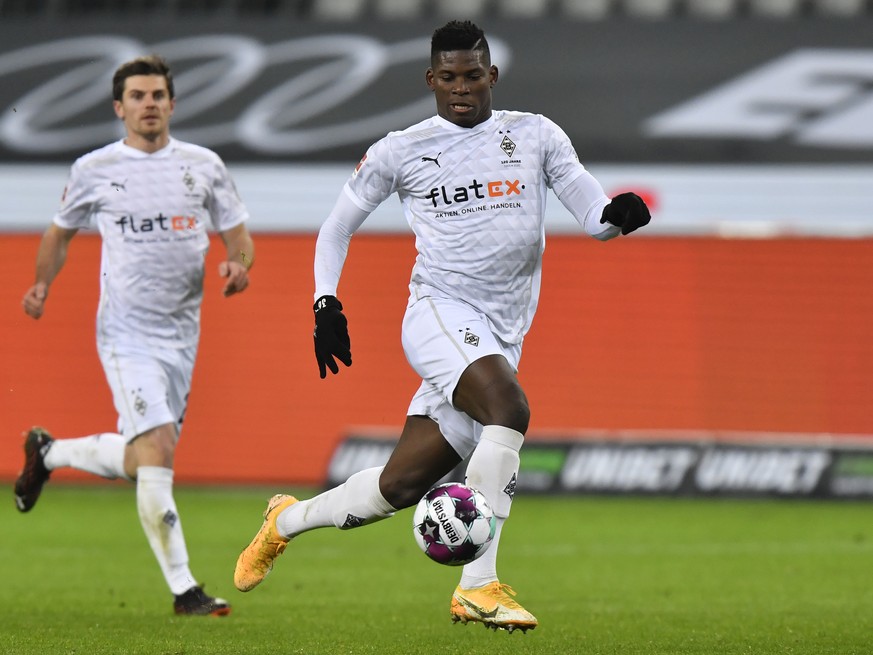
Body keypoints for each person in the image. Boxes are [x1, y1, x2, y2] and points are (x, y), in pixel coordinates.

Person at [234, 20, 650, 632]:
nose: (462, 88)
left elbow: (594, 216)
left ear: (492, 77)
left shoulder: (534, 135)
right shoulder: (401, 149)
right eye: (449, 77)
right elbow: (336, 227)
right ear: (431, 79)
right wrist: (325, 304)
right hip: (439, 313)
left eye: (473, 76)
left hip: (501, 332)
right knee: (508, 409)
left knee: (398, 487)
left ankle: (283, 521)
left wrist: (620, 214)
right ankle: (478, 586)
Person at [14, 55, 254, 617]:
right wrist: (41, 286)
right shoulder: (96, 168)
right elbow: (60, 232)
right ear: (119, 108)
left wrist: (239, 265)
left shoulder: (204, 165)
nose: (149, 104)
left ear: (172, 103)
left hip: (181, 336)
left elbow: (238, 235)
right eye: (138, 96)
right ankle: (185, 590)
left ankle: (50, 453)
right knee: (158, 449)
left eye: (158, 95)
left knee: (141, 460)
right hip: (125, 331)